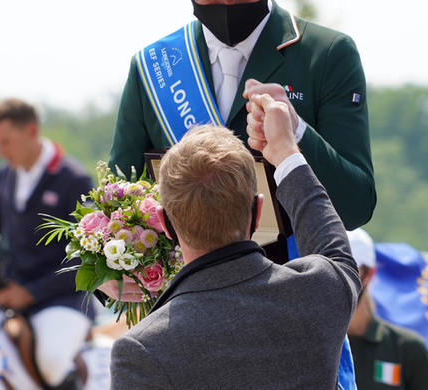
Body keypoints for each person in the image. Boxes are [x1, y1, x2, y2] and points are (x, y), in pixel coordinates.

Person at [109, 93, 360, 389]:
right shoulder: (318, 292)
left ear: (165, 225)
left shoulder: (142, 351)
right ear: (257, 212)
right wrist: (285, 151)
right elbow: (333, 247)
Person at [107, 0, 375, 237]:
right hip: (188, 289)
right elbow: (114, 207)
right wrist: (112, 281)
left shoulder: (327, 53)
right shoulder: (152, 66)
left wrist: (296, 131)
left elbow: (355, 208)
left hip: (290, 283)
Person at [0, 98, 95, 389]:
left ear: (30, 130)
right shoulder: (4, 175)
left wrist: (30, 293)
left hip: (64, 300)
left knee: (52, 359)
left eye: (6, 142)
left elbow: (87, 258)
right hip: (11, 293)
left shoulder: (74, 179)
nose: (0, 152)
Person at [346, 228, 428, 390]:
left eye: (349, 269)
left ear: (370, 273)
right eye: (329, 270)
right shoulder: (313, 348)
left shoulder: (407, 348)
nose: (339, 278)